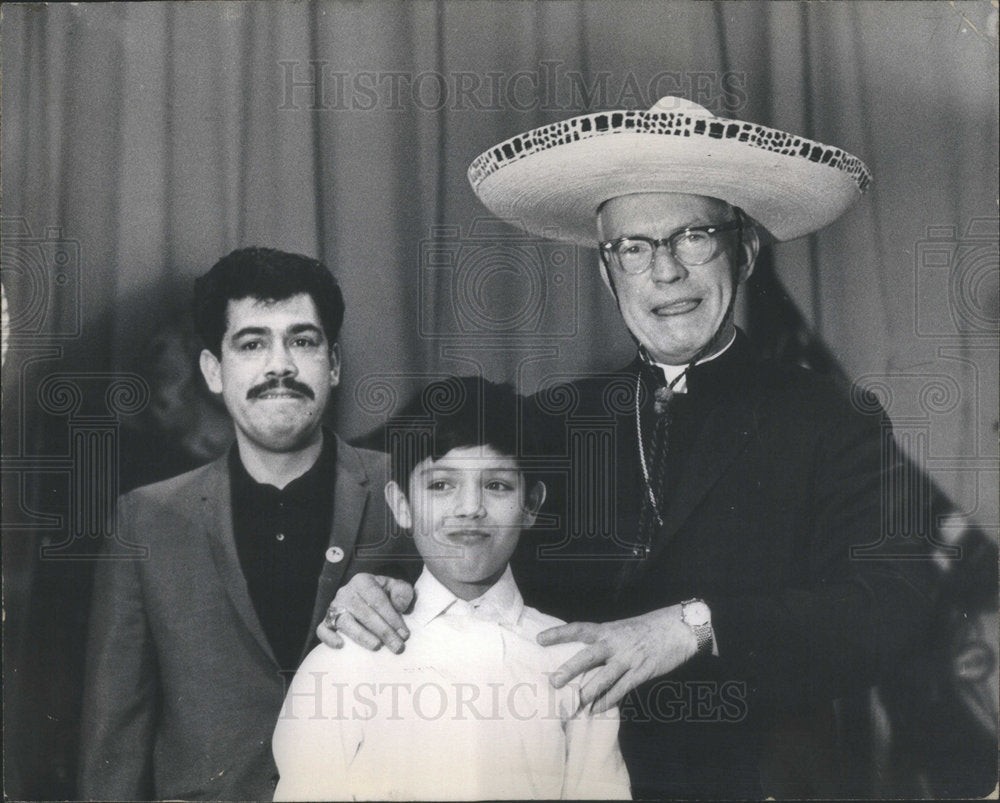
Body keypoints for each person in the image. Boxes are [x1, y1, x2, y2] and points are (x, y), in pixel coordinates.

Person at [319, 97, 936, 797]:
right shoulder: (550, 420)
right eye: (633, 249)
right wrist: (375, 581)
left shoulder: (832, 419)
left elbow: (893, 607)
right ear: (608, 274)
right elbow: (431, 501)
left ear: (747, 250)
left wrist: (695, 625)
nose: (665, 271)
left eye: (694, 236)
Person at [78, 247, 403, 800]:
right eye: (252, 344)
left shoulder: (413, 494)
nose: (280, 364)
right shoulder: (146, 519)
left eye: (303, 341)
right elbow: (115, 739)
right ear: (212, 370)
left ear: (335, 363)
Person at [272, 377, 631, 800]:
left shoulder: (575, 664)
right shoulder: (342, 664)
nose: (469, 508)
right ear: (402, 504)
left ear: (531, 504)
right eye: (440, 485)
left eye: (497, 485)